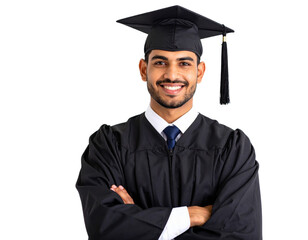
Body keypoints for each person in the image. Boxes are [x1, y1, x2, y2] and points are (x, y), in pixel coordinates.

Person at [76, 5, 262, 240]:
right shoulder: (108, 146)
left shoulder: (233, 148)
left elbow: (241, 235)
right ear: (144, 70)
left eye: (184, 63)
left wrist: (137, 222)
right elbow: (104, 229)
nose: (172, 75)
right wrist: (191, 216)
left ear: (200, 72)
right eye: (160, 62)